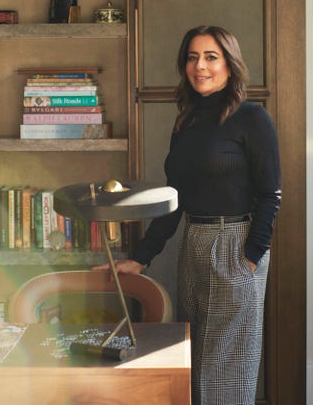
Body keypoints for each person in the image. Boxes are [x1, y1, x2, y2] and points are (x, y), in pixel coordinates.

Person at [93, 25, 281, 405]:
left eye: (211, 57)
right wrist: (142, 257)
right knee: (193, 361)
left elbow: (270, 194)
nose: (201, 66)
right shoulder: (186, 123)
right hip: (193, 244)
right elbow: (175, 197)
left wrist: (249, 258)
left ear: (230, 64)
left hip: (236, 243)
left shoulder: (251, 119)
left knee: (226, 368)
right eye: (193, 57)